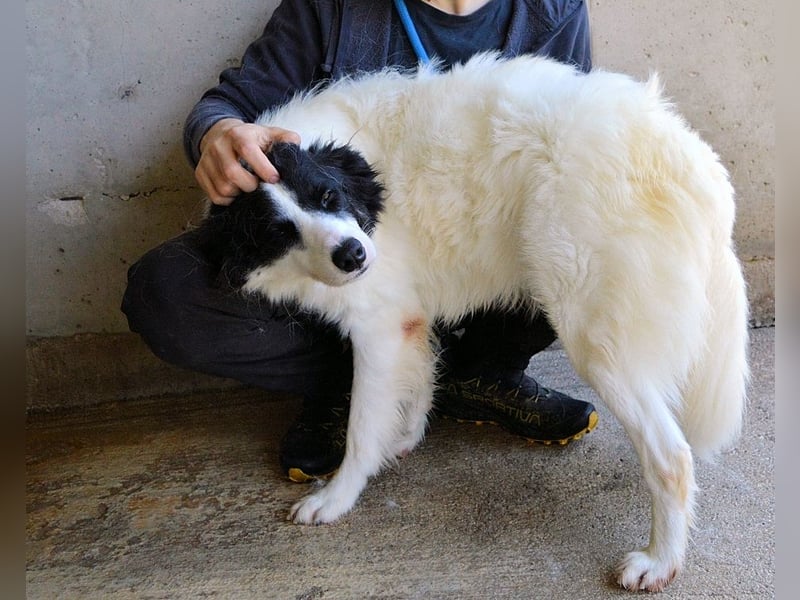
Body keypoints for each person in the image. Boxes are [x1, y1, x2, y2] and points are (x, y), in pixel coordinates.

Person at [122, 0, 598, 483]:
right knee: (166, 293)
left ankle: (482, 370)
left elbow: (573, 142)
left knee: (583, 227)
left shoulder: (551, 11)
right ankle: (354, 377)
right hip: (343, 267)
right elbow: (230, 105)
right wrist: (219, 134)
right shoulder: (330, 7)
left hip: (483, 269)